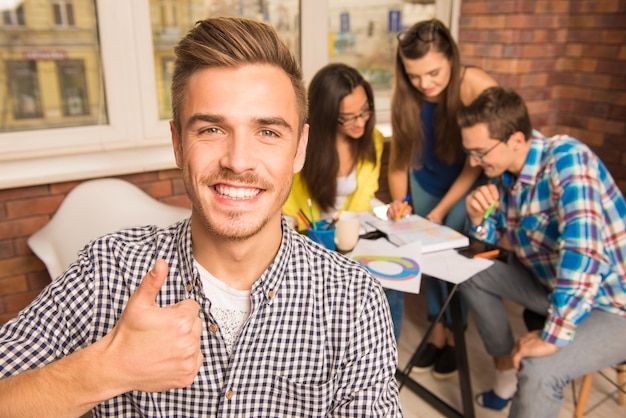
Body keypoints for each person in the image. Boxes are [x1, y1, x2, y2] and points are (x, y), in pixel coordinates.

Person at [0, 17, 401, 417]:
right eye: (211, 129)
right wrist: (105, 370)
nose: (238, 161)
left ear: (299, 149)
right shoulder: (108, 272)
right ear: (177, 144)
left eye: (268, 132)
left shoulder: (353, 301)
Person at [459, 86, 626, 416]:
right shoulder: (505, 176)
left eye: (479, 152)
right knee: (471, 270)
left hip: (613, 304)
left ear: (516, 140)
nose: (473, 162)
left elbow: (585, 253)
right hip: (553, 287)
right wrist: (478, 221)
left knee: (538, 371)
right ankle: (505, 370)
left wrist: (553, 335)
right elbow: (489, 247)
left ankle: (527, 368)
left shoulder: (567, 160)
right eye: (470, 153)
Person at [385, 18, 497, 373]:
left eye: (433, 73)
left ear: (452, 56)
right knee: (425, 255)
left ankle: (455, 335)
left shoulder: (474, 84)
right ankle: (436, 334)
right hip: (426, 180)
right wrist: (400, 205)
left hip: (468, 181)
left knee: (452, 255)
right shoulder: (406, 91)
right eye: (415, 75)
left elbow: (480, 160)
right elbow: (400, 159)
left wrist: (443, 210)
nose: (424, 84)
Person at [283, 63, 384, 231]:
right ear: (326, 115)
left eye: (365, 110)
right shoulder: (299, 143)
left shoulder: (374, 139)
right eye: (347, 117)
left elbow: (363, 200)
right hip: (308, 233)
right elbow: (288, 201)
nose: (360, 122)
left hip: (353, 231)